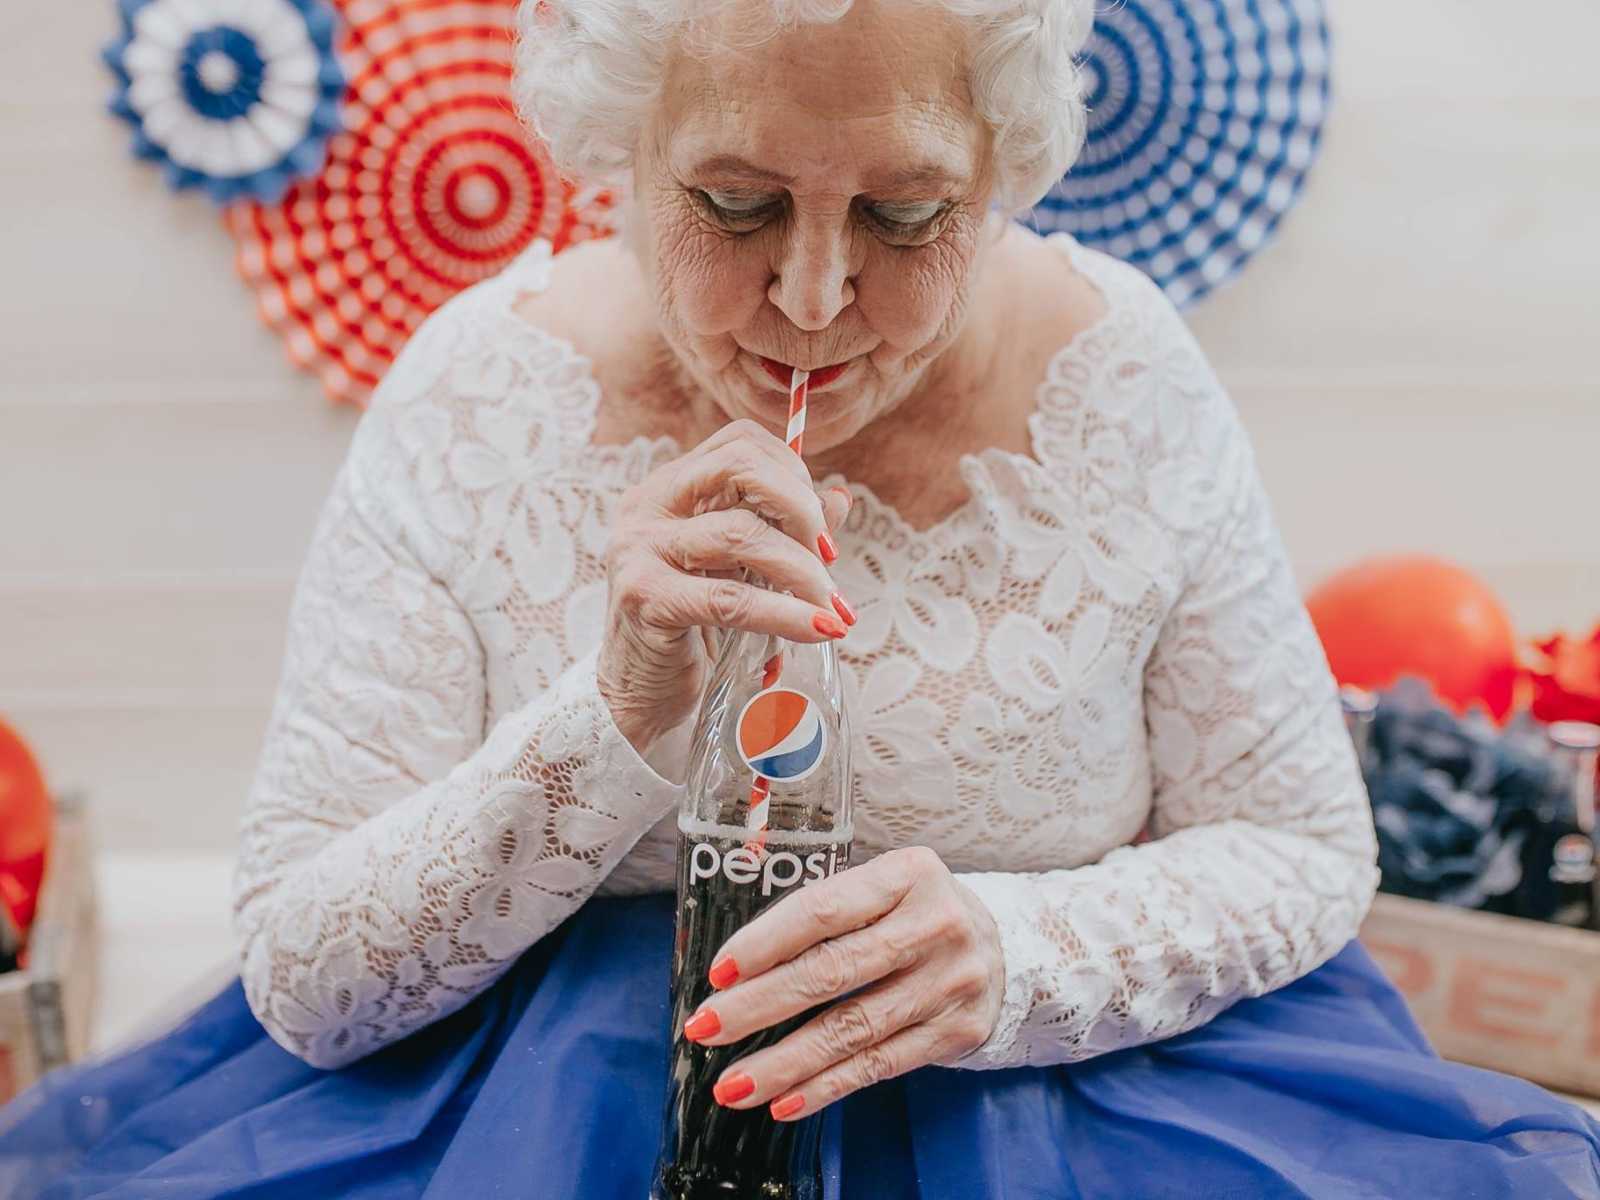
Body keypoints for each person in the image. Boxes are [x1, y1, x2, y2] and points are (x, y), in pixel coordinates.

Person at [5, 0, 1598, 1195]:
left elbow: (1308, 849)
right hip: (529, 1123)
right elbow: (307, 977)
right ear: (615, 158)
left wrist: (1016, 949)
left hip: (1093, 1110)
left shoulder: (1124, 377)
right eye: (735, 204)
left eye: (908, 214)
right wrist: (617, 706)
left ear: (1003, 171)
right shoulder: (482, 395)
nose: (818, 297)